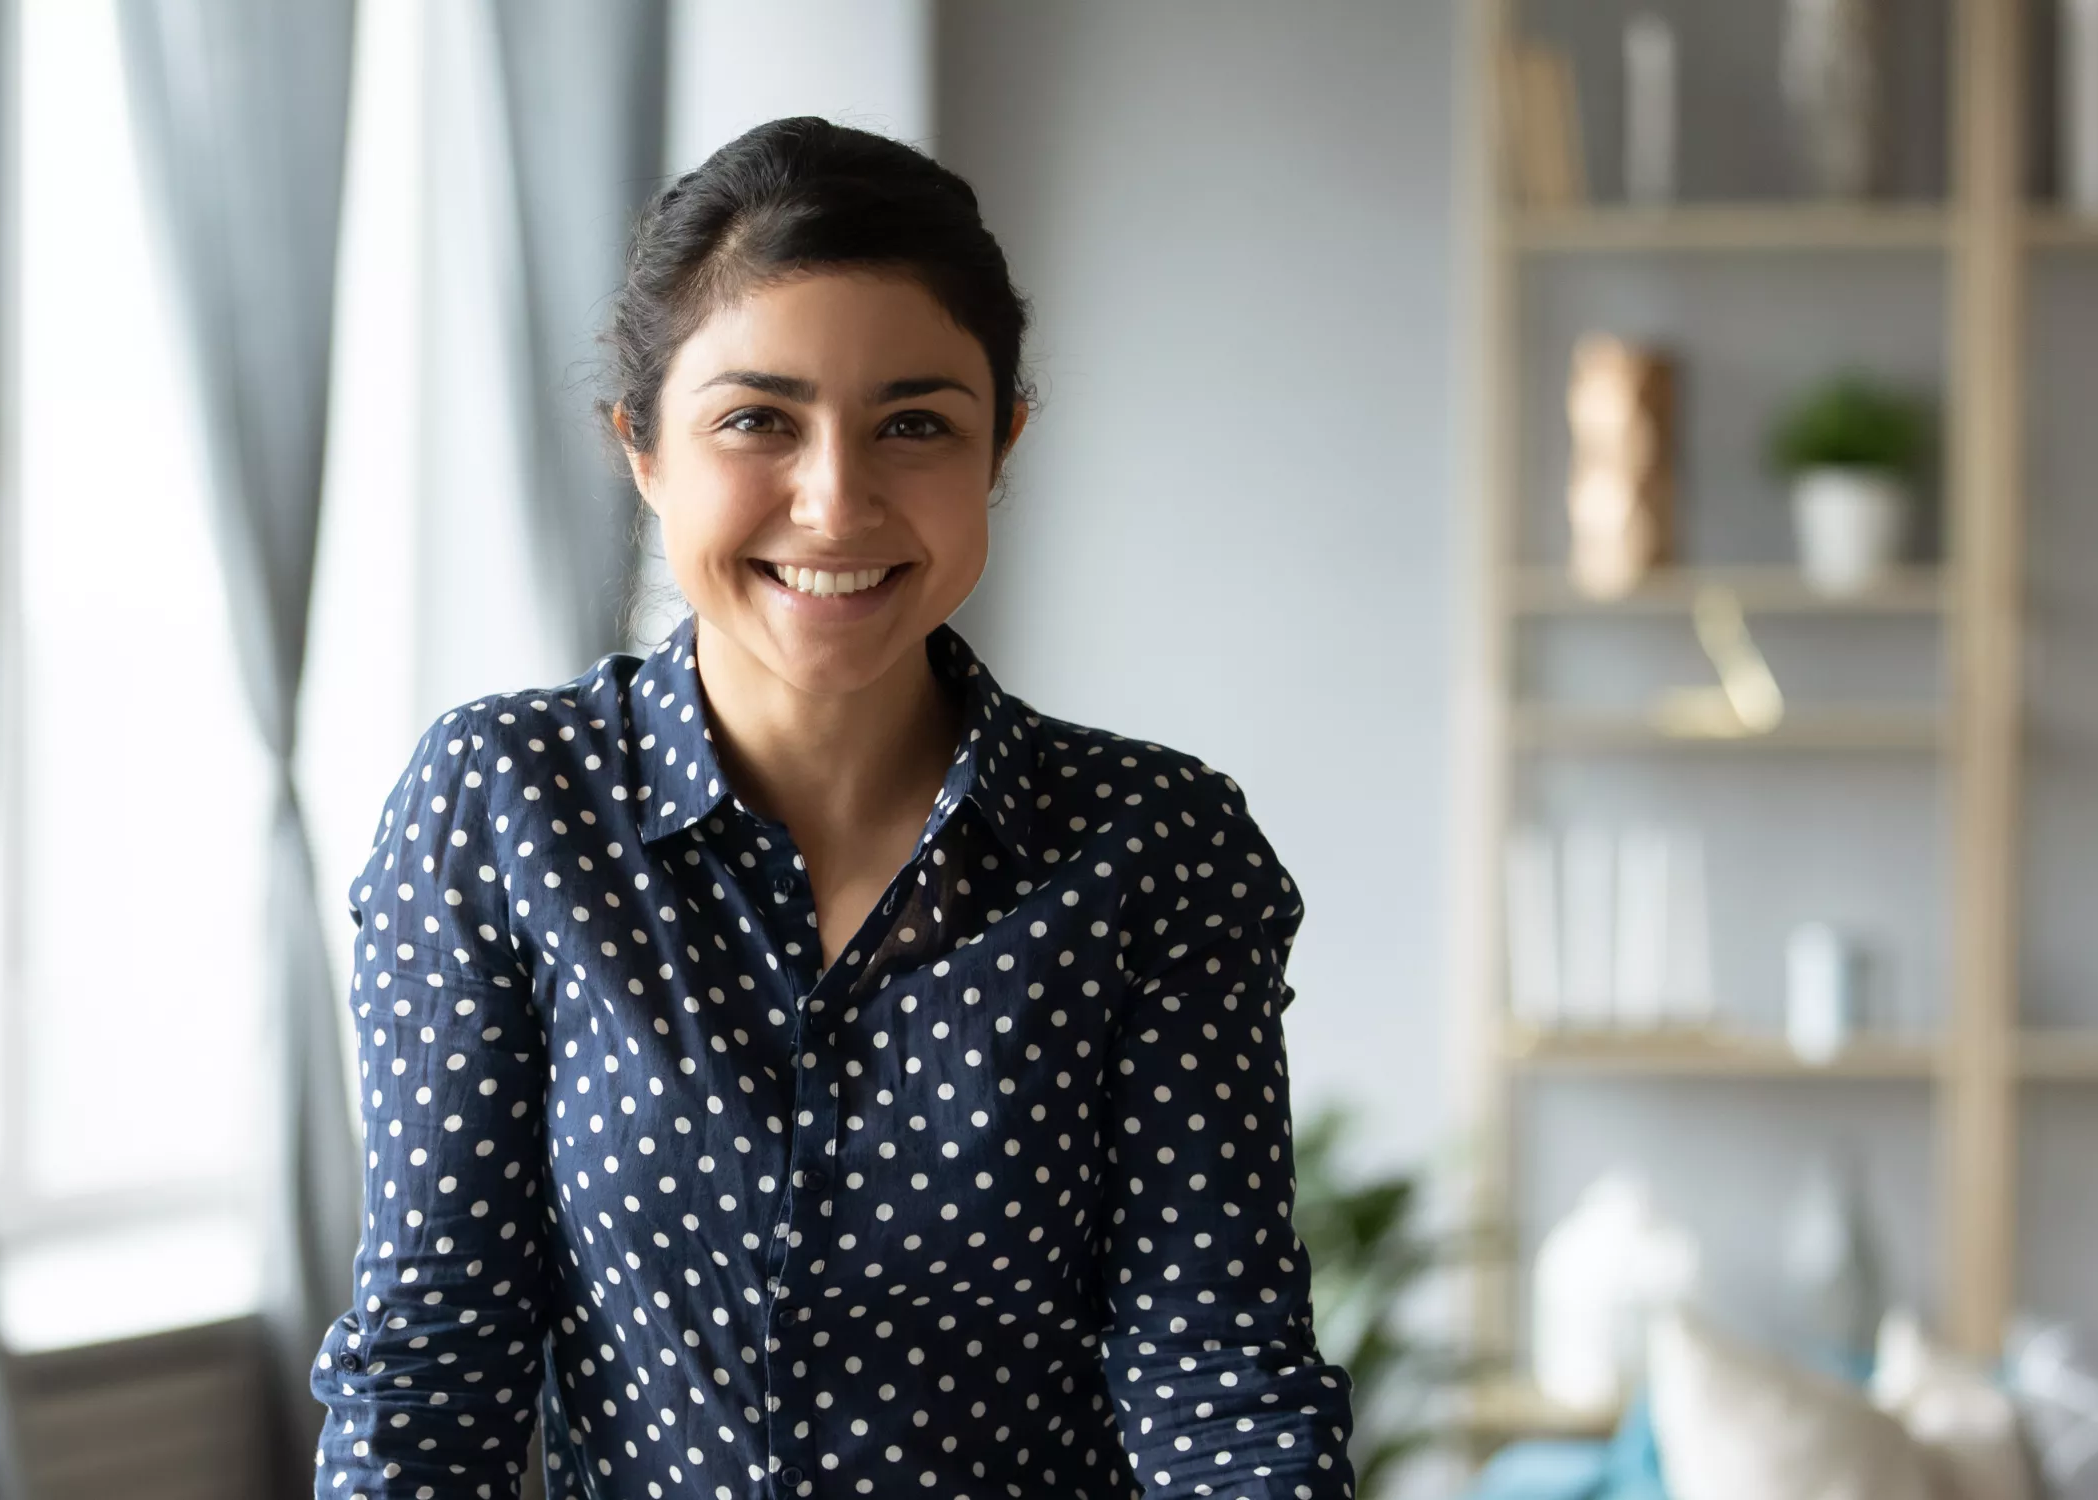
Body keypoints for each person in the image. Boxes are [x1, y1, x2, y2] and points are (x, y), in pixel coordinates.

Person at [313, 116, 1354, 1500]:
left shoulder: (1151, 851)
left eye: (914, 423)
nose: (835, 499)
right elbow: (431, 1379)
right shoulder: (508, 811)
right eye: (758, 420)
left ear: (1002, 448)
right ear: (641, 448)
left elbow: (1222, 1386)